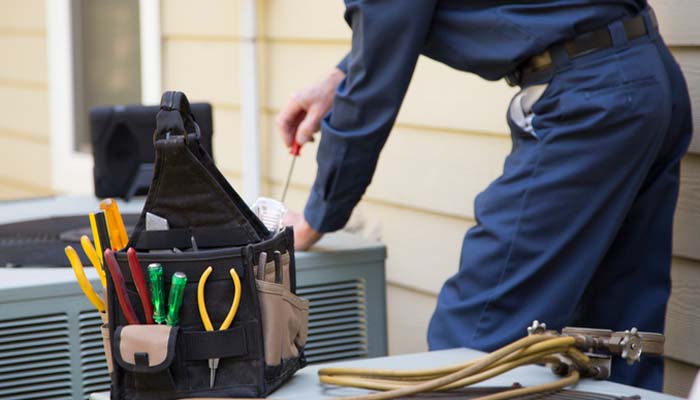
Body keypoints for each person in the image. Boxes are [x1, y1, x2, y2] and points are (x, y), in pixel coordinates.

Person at [276, 1, 692, 391]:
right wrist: (340, 77)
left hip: (593, 99)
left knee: (473, 343)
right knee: (615, 341)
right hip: (644, 74)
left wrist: (317, 217)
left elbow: (377, 72)